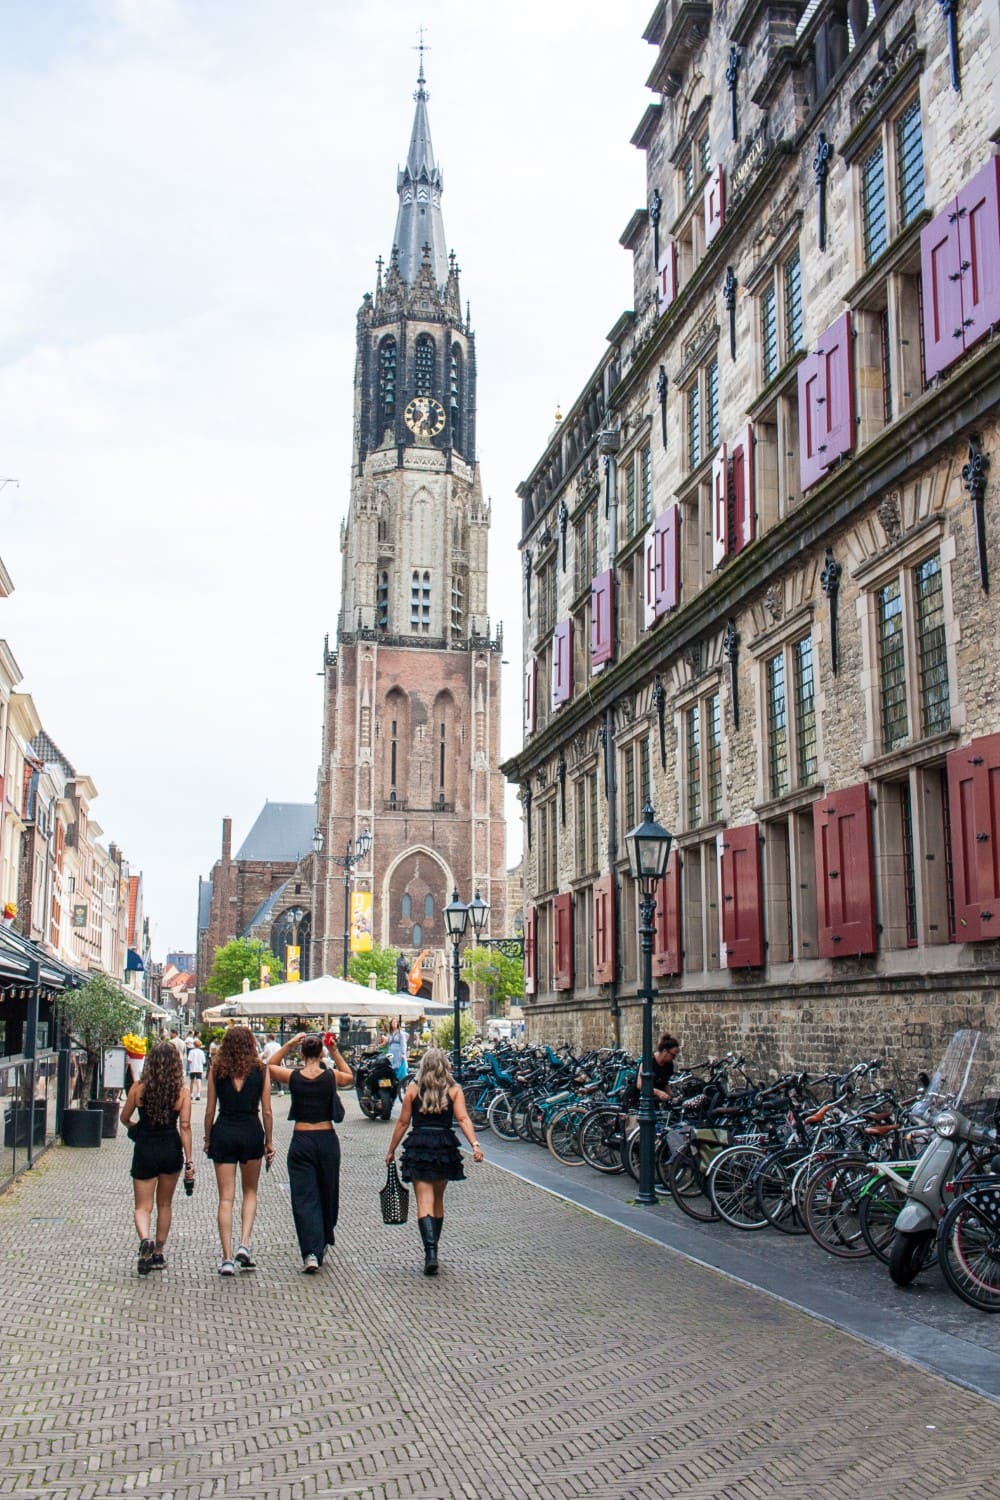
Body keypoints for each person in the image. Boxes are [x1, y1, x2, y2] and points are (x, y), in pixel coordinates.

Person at [384, 1047, 484, 1276]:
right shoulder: (454, 1090)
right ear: (445, 1066)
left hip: (419, 1144)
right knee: (438, 1200)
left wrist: (391, 1150)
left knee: (424, 1201)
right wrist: (475, 1145)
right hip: (443, 1146)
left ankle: (429, 1253)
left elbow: (402, 1122)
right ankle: (434, 1250)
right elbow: (462, 1118)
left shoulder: (412, 1089)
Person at [267, 1032, 353, 1273]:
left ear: (302, 1054)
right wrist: (334, 1050)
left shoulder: (294, 1077)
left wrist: (289, 1044)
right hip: (327, 1140)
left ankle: (311, 1253)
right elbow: (349, 1076)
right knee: (328, 1192)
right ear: (321, 1053)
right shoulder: (330, 1077)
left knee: (304, 1198)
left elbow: (270, 1066)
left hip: (302, 1140)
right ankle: (322, 1239)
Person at [203, 1025, 274, 1275]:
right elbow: (266, 1110)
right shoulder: (261, 1070)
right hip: (251, 1132)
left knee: (225, 1198)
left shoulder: (217, 1070)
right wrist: (269, 1141)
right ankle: (244, 1243)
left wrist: (208, 1137)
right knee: (250, 1191)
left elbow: (210, 1109)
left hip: (224, 1131)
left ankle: (226, 1257)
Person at [120, 1040, 194, 1275]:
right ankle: (159, 1253)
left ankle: (145, 1239)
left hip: (145, 1148)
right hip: (170, 1149)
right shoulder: (182, 1092)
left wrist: (136, 1128)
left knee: (142, 1207)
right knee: (165, 1204)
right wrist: (189, 1160)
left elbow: (124, 1117)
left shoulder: (138, 1089)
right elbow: (185, 1126)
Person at [639, 1034, 681, 1105]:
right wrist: (658, 1092)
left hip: (655, 1101)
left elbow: (665, 1083)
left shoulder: (669, 1065)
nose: (673, 1058)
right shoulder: (648, 1061)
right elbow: (640, 1085)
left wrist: (671, 1095)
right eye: (673, 1055)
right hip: (640, 1101)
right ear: (665, 1051)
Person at [385, 1018, 408, 1082]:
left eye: (395, 1022)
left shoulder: (401, 1033)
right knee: (391, 1066)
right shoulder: (390, 1033)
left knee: (398, 1066)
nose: (394, 1024)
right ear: (391, 1024)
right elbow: (389, 1042)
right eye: (393, 1023)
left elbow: (403, 1044)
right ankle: (392, 1080)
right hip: (391, 1052)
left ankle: (400, 1081)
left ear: (397, 1024)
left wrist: (403, 1053)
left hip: (398, 1052)